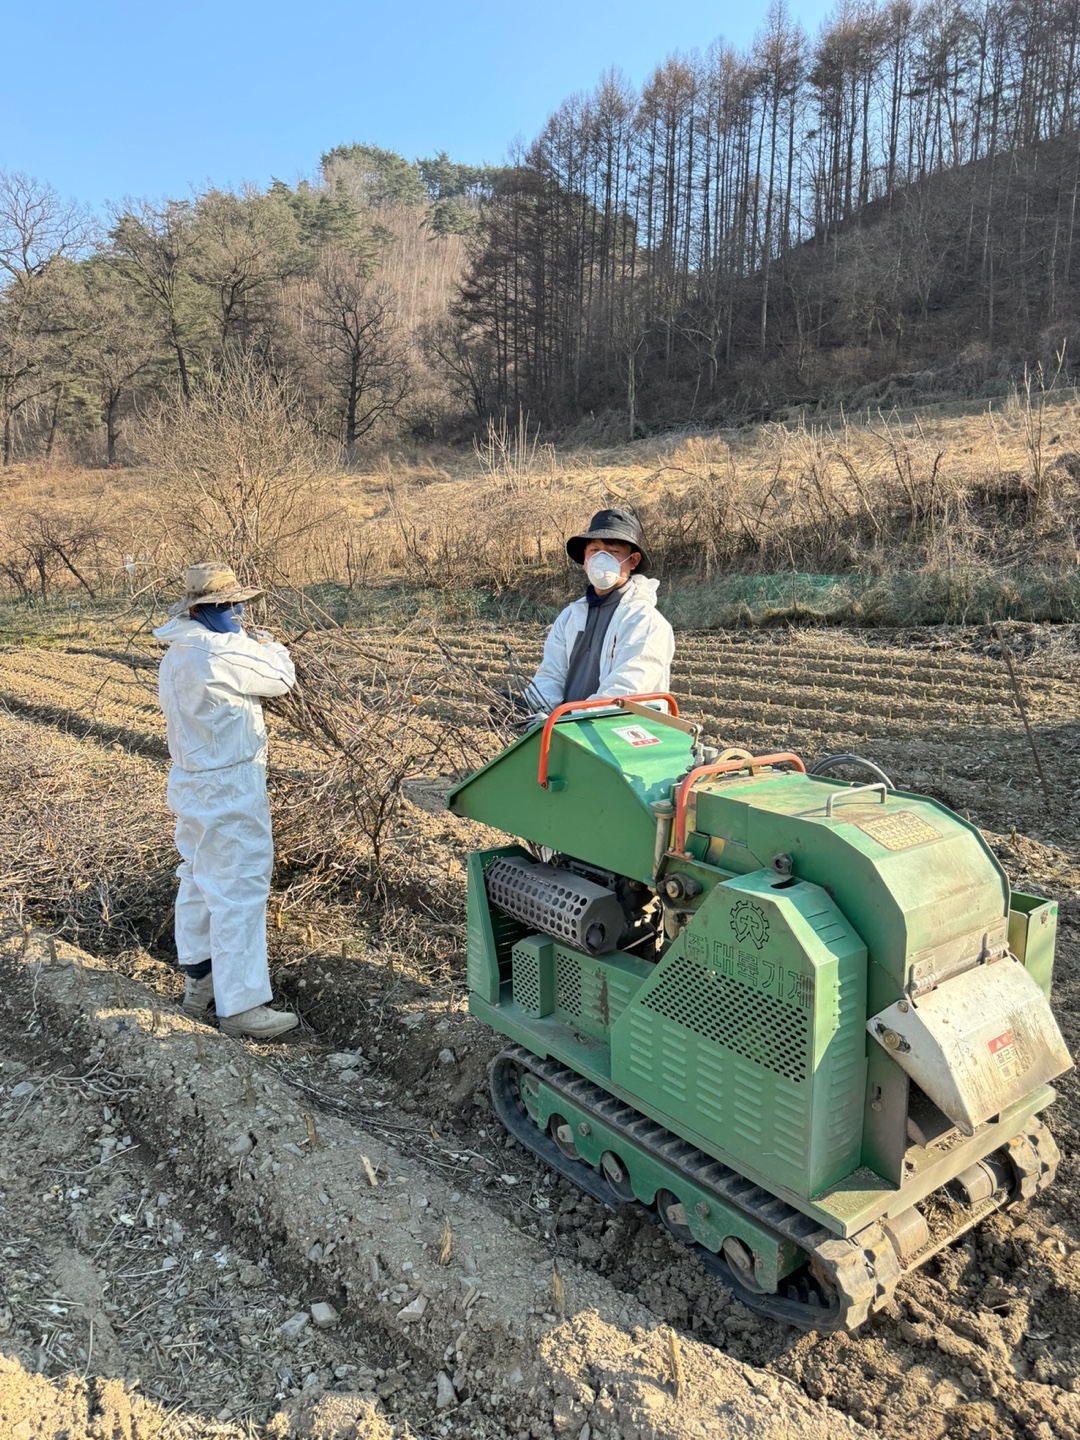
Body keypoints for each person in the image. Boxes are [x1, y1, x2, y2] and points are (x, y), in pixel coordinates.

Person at [153, 561, 299, 1040]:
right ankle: (242, 1007)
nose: (236, 612)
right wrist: (268, 643)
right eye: (229, 606)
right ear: (205, 609)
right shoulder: (221, 652)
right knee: (238, 889)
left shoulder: (176, 653)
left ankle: (201, 982)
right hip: (230, 786)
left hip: (190, 781)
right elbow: (280, 678)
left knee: (197, 878)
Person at [524, 507, 675, 715]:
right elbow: (552, 674)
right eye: (594, 551)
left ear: (633, 561)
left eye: (613, 552)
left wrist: (570, 720)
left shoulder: (645, 621)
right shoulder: (570, 617)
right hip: (566, 733)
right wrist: (533, 706)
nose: (601, 560)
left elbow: (626, 689)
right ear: (585, 561)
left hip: (615, 736)